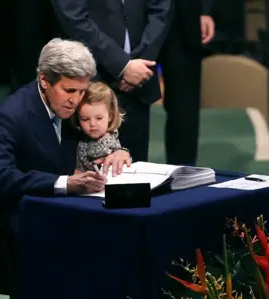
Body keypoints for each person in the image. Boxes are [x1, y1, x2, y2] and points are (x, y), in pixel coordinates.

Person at [0, 38, 132, 239]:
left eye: (82, 91)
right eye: (69, 91)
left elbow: (100, 129)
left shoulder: (73, 99)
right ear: (44, 80)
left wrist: (120, 152)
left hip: (68, 214)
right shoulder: (11, 116)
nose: (76, 100)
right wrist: (64, 183)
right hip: (19, 226)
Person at [50, 0, 172, 162]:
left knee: (136, 171)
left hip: (139, 80)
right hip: (90, 79)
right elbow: (74, 18)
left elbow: (161, 10)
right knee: (92, 177)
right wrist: (123, 66)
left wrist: (139, 64)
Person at [159, 0, 215, 165]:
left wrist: (203, 9)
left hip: (183, 10)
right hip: (132, 9)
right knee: (130, 89)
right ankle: (126, 170)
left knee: (184, 100)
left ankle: (183, 172)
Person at [72, 82, 127, 176]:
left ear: (110, 115)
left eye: (99, 118)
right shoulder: (80, 137)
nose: (92, 124)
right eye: (85, 119)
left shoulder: (107, 141)